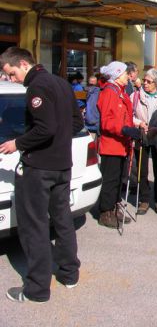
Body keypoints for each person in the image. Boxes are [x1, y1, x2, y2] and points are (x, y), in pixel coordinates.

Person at [0, 47, 83, 303]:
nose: (11, 79)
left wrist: (18, 143)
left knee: (33, 227)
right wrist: (58, 142)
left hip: (39, 168)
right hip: (62, 166)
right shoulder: (61, 83)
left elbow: (45, 128)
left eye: (11, 74)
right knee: (62, 221)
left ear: (23, 64)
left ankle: (36, 290)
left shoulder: (36, 87)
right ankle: (69, 274)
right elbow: (76, 124)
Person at [96, 61, 141, 229]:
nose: (127, 76)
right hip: (112, 145)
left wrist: (133, 127)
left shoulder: (119, 91)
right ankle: (105, 212)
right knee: (110, 180)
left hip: (121, 144)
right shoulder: (109, 92)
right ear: (116, 74)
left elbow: (124, 116)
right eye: (124, 73)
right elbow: (107, 122)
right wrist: (125, 129)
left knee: (119, 179)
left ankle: (114, 207)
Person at [130, 69, 157, 216]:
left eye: (149, 82)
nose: (145, 83)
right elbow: (129, 115)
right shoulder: (136, 95)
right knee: (142, 171)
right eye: (144, 80)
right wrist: (139, 123)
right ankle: (144, 200)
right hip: (142, 136)